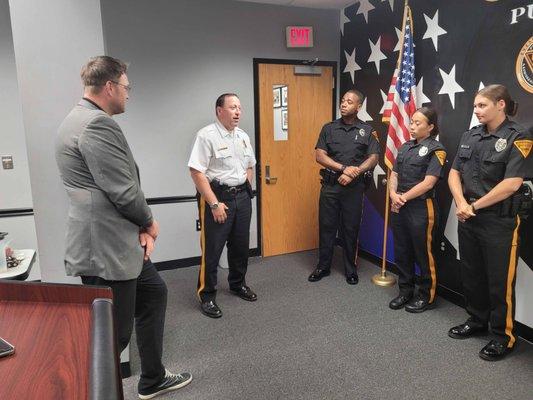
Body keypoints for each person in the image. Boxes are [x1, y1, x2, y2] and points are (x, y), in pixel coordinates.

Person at [55, 56, 192, 399]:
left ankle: (152, 378)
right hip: (106, 248)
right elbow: (123, 190)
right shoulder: (97, 125)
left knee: (154, 293)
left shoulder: (76, 120)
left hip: (112, 241)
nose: (129, 94)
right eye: (127, 87)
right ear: (110, 86)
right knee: (111, 336)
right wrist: (149, 223)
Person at [448, 84, 531, 361]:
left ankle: (502, 336)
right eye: (475, 106)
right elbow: (454, 173)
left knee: (499, 282)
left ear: (501, 105)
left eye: (482, 105)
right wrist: (461, 203)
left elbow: (512, 183)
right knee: (472, 275)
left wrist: (472, 206)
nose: (476, 110)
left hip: (499, 221)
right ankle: (476, 320)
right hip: (468, 217)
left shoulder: (518, 135)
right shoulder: (470, 136)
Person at [188, 93, 257, 318]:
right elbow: (196, 172)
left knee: (240, 247)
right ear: (219, 111)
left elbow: (250, 165)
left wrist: (245, 186)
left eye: (239, 107)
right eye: (232, 107)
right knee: (213, 250)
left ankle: (238, 284)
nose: (237, 112)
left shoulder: (243, 136)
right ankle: (206, 295)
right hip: (217, 198)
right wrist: (215, 203)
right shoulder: (206, 135)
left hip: (242, 198)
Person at [309, 90, 380, 285]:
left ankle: (350, 269)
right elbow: (320, 156)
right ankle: (323, 267)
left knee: (351, 229)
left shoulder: (368, 131)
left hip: (354, 189)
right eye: (342, 101)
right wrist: (343, 169)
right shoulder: (328, 128)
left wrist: (353, 173)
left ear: (358, 107)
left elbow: (373, 157)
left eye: (349, 102)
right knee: (327, 227)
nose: (344, 104)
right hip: (331, 186)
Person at [388, 107, 446, 313]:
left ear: (430, 127)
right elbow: (393, 174)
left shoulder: (436, 149)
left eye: (418, 123)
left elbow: (429, 182)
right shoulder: (404, 147)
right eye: (411, 122)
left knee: (423, 253)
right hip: (399, 205)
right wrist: (393, 195)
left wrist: (402, 198)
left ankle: (425, 296)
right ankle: (405, 291)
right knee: (402, 250)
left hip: (421, 207)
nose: (412, 126)